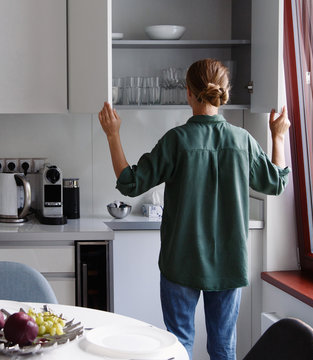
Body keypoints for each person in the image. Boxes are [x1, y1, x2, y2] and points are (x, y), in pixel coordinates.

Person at [98, 58, 290, 360]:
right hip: (229, 266)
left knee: (179, 345)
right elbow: (276, 183)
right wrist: (278, 136)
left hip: (180, 265)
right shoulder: (243, 141)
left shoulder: (177, 141)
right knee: (223, 347)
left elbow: (130, 184)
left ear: (188, 93)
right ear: (224, 92)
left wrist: (112, 134)